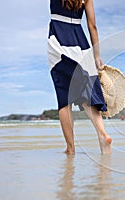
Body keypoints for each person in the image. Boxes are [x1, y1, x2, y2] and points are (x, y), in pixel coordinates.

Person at [48, 0, 111, 154]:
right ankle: (103, 135)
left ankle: (70, 148)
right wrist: (97, 56)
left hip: (58, 42)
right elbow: (92, 26)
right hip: (81, 44)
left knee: (64, 99)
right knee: (89, 93)